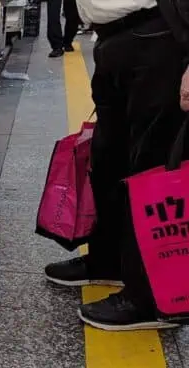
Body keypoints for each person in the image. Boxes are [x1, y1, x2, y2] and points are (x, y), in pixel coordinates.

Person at [43, 1, 189, 330]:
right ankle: (107, 261)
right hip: (114, 41)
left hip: (159, 37)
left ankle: (150, 299)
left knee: (150, 167)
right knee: (109, 161)